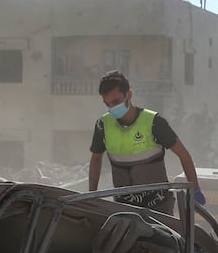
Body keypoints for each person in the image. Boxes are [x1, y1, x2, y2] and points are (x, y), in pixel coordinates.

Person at [87, 70, 206, 214]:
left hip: (159, 207)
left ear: (129, 95)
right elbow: (95, 159)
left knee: (164, 237)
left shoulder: (154, 122)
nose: (112, 108)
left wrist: (196, 190)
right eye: (108, 104)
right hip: (125, 208)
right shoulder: (103, 125)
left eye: (116, 102)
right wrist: (91, 195)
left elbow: (184, 155)